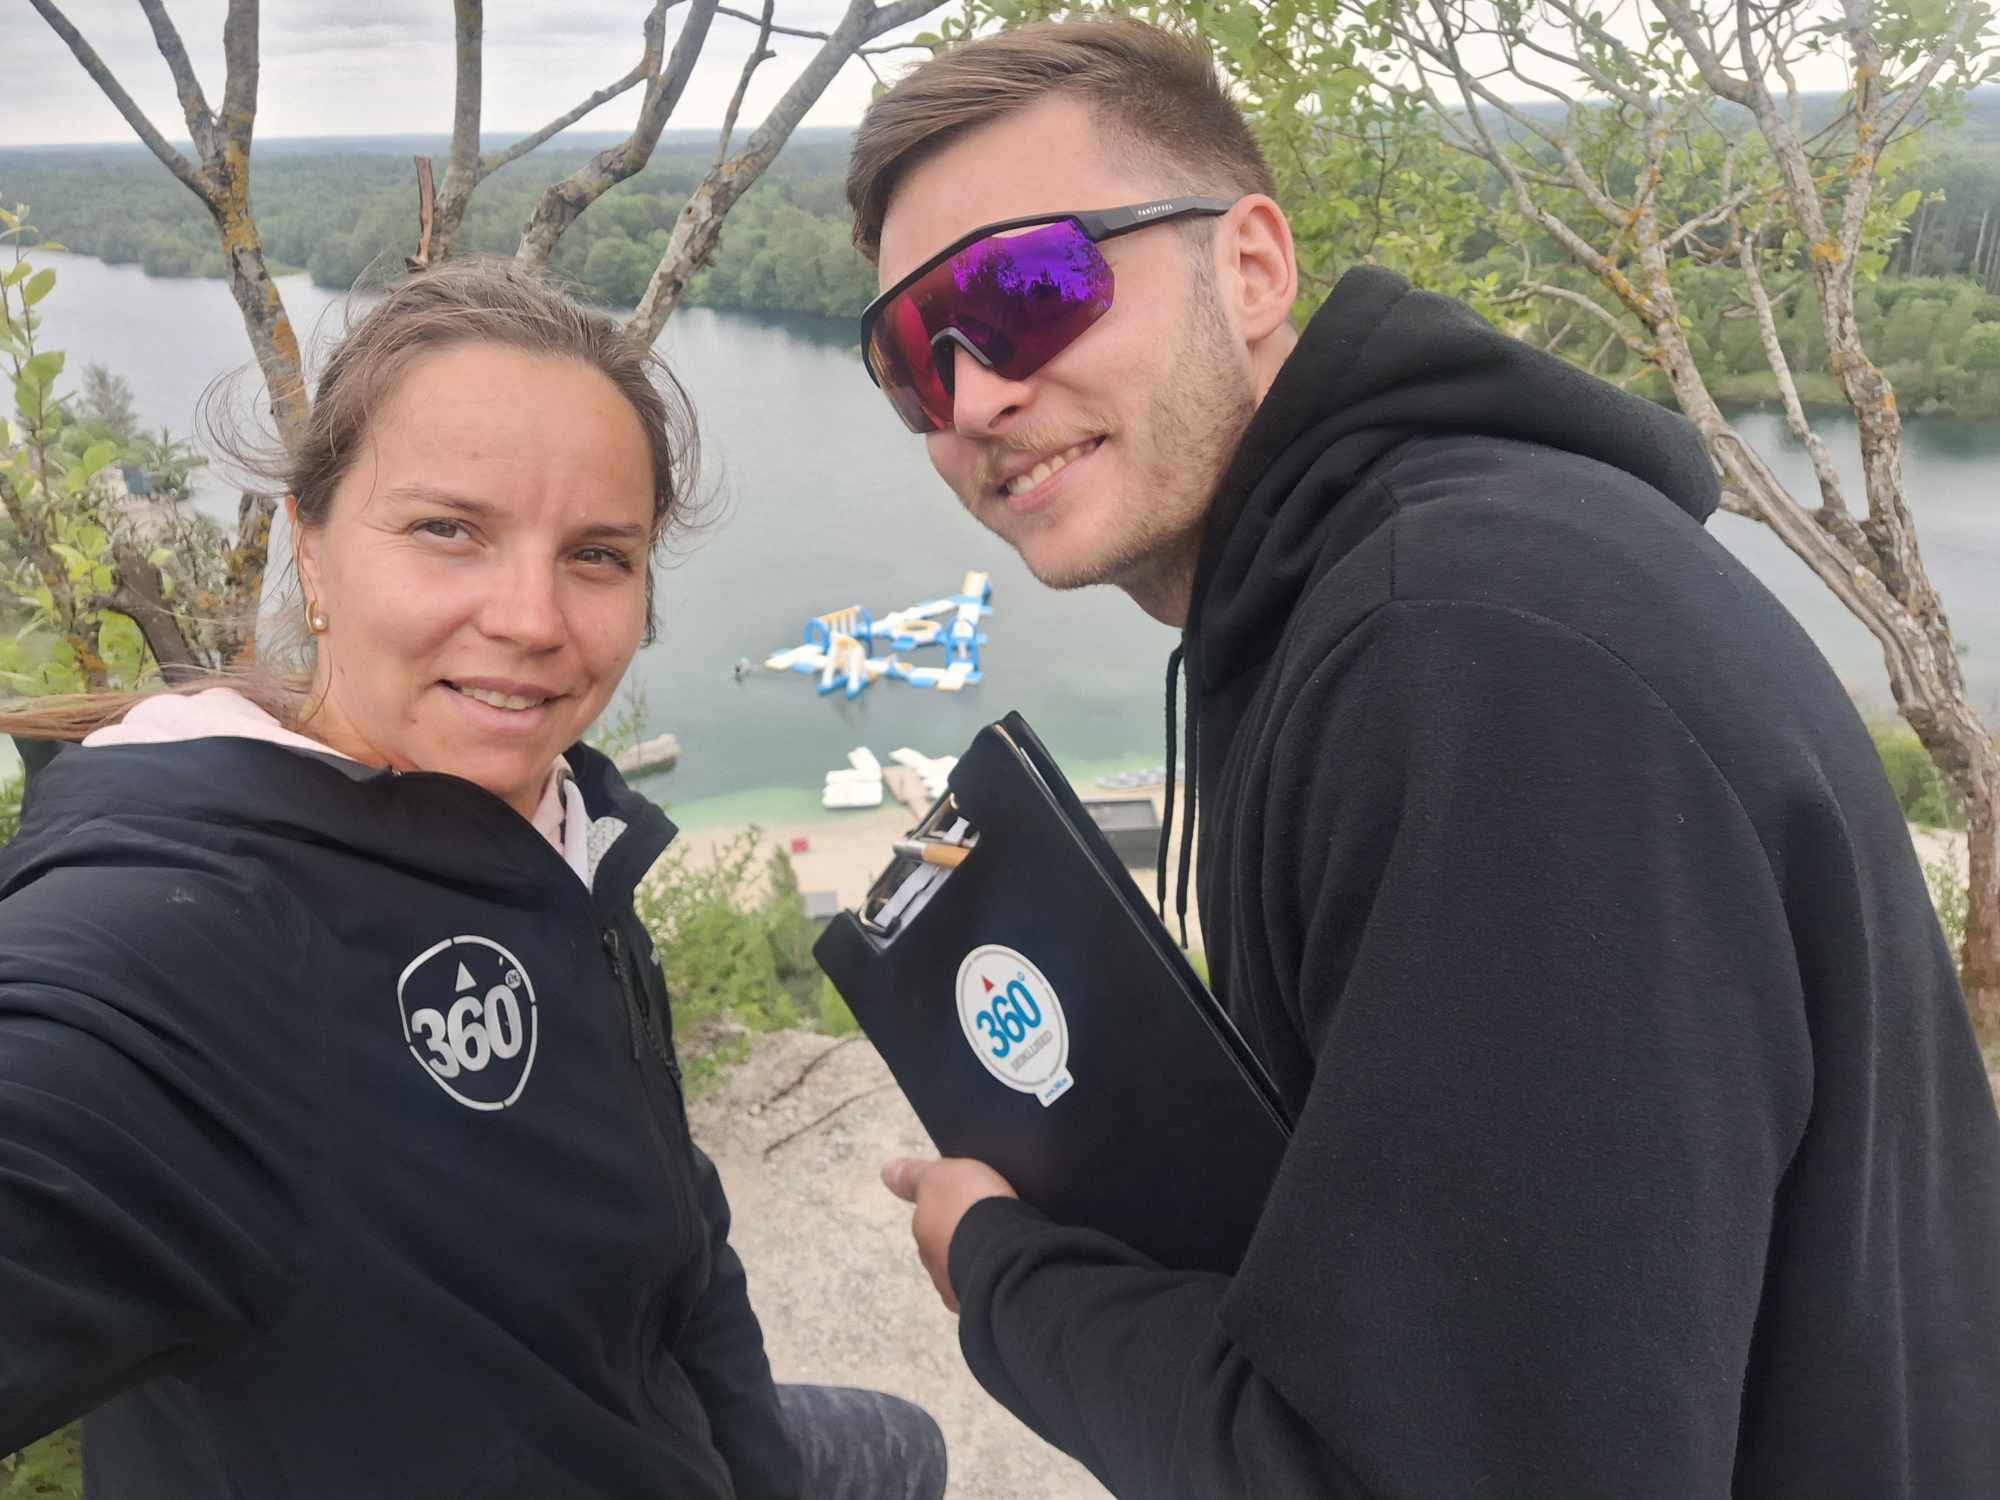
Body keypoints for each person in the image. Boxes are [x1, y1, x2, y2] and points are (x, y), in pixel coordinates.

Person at [846, 19, 2000, 1497]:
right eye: (911, 363)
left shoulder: (1477, 666)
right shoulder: (1406, 589)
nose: (973, 400)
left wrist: (1004, 1275)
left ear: (1249, 268)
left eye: (1024, 292)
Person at [0, 260, 946, 1500]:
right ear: (311, 545)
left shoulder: (555, 829)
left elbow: (681, 1226)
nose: (532, 619)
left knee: (905, 1443)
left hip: (646, 1417)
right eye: (448, 529)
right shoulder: (192, 920)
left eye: (596, 553)